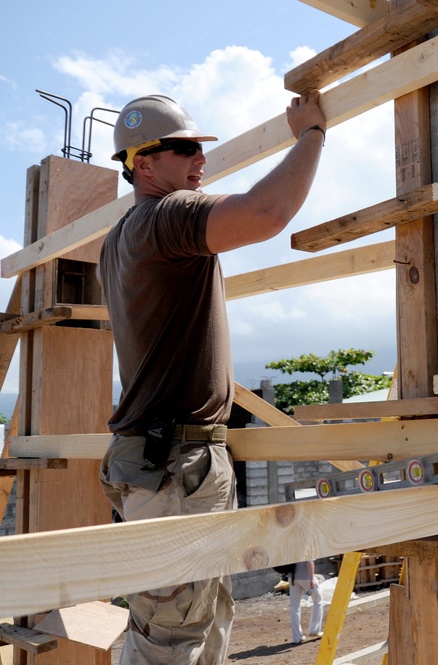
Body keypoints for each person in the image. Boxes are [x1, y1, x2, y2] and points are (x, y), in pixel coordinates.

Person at [97, 92, 327, 664]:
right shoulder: (165, 217)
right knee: (171, 636)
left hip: (172, 462)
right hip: (172, 463)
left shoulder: (121, 236)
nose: (199, 160)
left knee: (202, 616)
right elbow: (266, 214)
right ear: (142, 163)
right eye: (183, 149)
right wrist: (312, 134)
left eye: (200, 148)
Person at [289, 560, 324, 643]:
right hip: (306, 576)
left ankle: (297, 637)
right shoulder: (305, 546)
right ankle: (314, 630)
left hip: (292, 577)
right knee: (318, 600)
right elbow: (309, 561)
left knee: (294, 606)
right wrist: (312, 579)